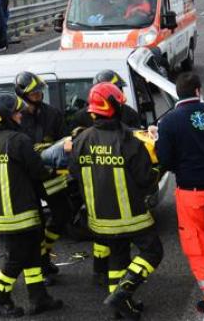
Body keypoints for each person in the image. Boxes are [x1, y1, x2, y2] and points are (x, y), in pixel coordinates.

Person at [68, 82, 163, 320]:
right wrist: (157, 167)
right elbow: (145, 180)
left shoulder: (81, 140)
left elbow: (74, 173)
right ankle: (121, 295)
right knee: (153, 252)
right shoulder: (129, 140)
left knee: (118, 258)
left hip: (100, 220)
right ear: (114, 107)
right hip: (131, 217)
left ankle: (122, 309)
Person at [0, 91, 63, 317]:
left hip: (1, 212)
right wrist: (56, 169)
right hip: (22, 211)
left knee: (33, 254)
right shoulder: (18, 141)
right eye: (16, 113)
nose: (20, 116)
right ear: (5, 116)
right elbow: (39, 172)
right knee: (16, 259)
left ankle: (39, 298)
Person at [157, 72, 204, 313]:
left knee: (198, 244)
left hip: (190, 193)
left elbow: (164, 160)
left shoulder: (169, 122)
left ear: (178, 93)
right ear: (198, 90)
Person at [14, 71, 69, 282]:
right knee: (35, 225)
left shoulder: (52, 114)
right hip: (28, 179)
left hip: (52, 174)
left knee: (63, 214)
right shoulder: (16, 117)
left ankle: (44, 251)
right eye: (34, 93)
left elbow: (64, 139)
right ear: (22, 94)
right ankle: (42, 265)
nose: (38, 95)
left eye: (39, 92)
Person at [71, 70, 141, 130]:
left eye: (120, 89)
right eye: (116, 90)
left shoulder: (130, 114)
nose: (120, 93)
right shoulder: (81, 117)